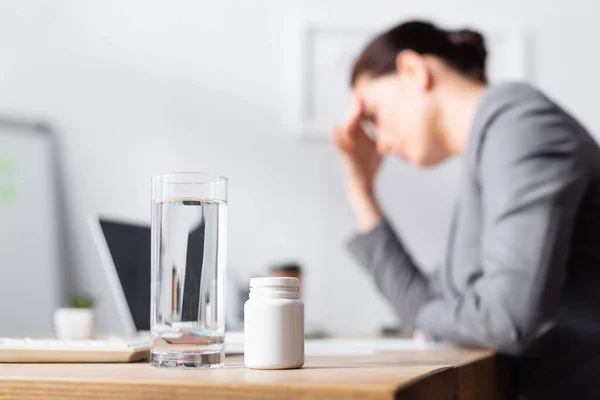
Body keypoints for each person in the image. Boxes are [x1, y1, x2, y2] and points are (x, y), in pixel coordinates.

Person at [334, 20, 600, 399]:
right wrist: (359, 189)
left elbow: (507, 321)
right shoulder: (491, 152)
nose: (382, 143)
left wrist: (433, 319)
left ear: (413, 71)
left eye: (374, 115)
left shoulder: (521, 126)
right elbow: (422, 306)